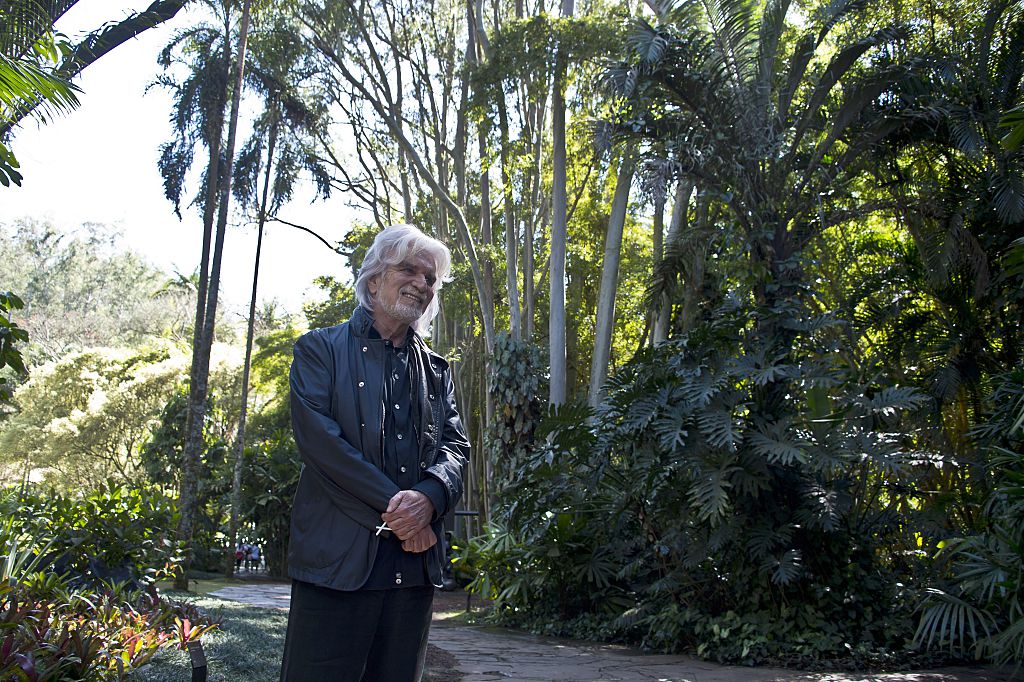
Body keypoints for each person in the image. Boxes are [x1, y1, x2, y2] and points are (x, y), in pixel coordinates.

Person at [280, 224, 469, 682]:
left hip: (413, 570)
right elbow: (324, 449)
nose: (422, 284)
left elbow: (456, 447)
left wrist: (429, 498)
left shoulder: (438, 370)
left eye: (430, 278)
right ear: (372, 281)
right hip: (336, 565)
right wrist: (403, 515)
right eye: (408, 270)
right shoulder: (318, 350)